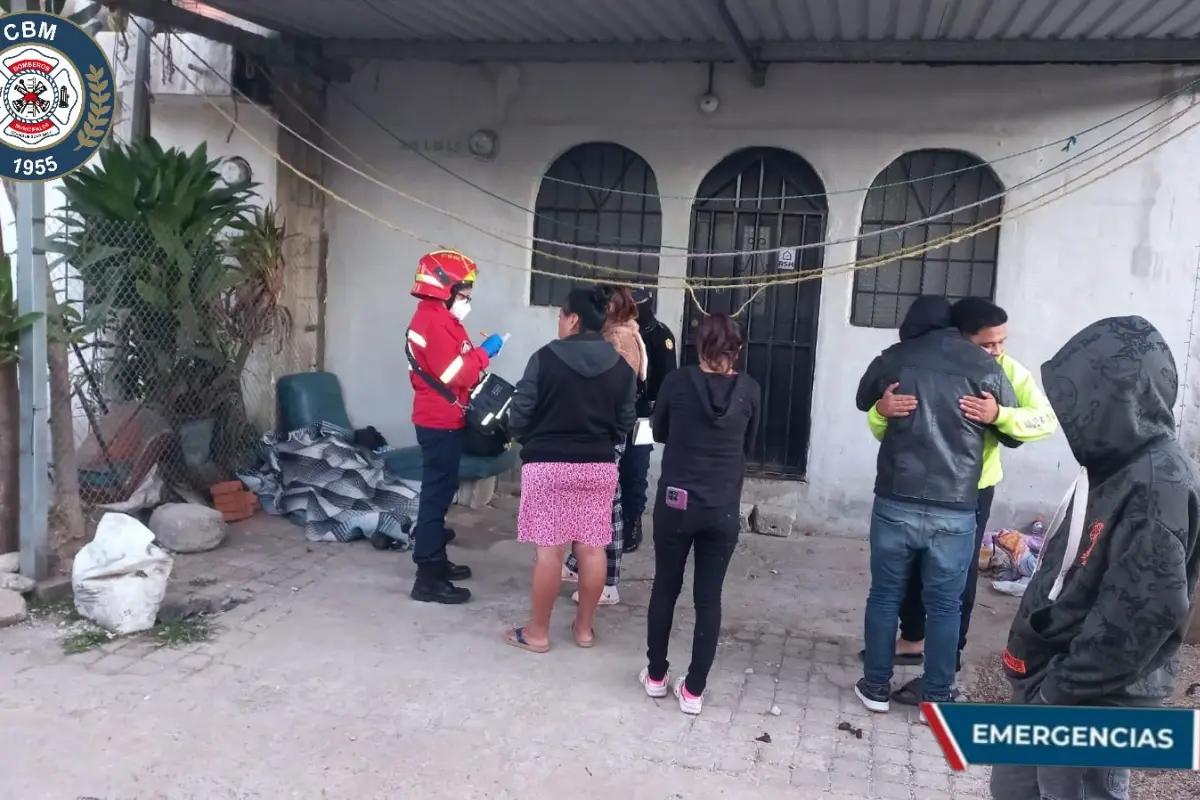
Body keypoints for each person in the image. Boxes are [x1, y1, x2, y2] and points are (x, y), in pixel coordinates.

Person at [990, 316, 1200, 800]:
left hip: (1089, 698)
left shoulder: (1157, 484)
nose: (1071, 420)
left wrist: (1059, 690)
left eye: (1082, 403)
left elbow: (1144, 613)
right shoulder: (1116, 465)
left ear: (1118, 398)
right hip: (1052, 678)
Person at [863, 297, 1058, 705]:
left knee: (951, 589)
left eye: (1002, 342)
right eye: (989, 344)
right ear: (960, 336)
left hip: (970, 490)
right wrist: (883, 410)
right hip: (945, 498)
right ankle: (920, 653)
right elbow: (883, 422)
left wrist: (999, 415)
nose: (998, 352)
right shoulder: (973, 365)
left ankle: (940, 666)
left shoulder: (1001, 369)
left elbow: (1042, 420)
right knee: (928, 588)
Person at [502, 286, 637, 653]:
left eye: (561, 315)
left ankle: (538, 633)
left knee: (550, 553)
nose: (559, 322)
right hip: (597, 466)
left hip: (547, 464)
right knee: (593, 550)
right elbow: (626, 422)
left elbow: (519, 414)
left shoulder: (544, 359)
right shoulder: (621, 368)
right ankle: (584, 631)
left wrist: (531, 438)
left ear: (573, 319)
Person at [639, 313, 760, 715]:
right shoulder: (750, 390)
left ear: (698, 347)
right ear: (736, 350)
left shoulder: (676, 382)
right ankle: (693, 690)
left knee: (665, 587)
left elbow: (658, 432)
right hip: (722, 507)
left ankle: (656, 676)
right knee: (709, 598)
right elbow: (750, 445)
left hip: (676, 502)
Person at [405, 250, 504, 605]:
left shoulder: (439, 317)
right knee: (435, 498)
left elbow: (454, 363)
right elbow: (456, 373)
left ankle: (437, 561)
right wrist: (486, 353)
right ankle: (427, 577)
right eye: (463, 295)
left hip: (444, 417)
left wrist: (475, 354)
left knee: (440, 494)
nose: (466, 302)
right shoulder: (435, 321)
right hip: (439, 421)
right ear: (444, 289)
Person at [563, 285, 647, 605]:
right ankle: (577, 566)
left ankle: (608, 583)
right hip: (605, 430)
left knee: (607, 510)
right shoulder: (620, 335)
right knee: (593, 507)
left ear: (610, 309)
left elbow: (611, 390)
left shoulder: (619, 340)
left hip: (607, 432)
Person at [620, 287, 678, 554]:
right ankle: (614, 522)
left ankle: (632, 523)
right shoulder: (618, 331)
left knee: (636, 467)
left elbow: (668, 379)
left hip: (644, 413)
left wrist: (659, 416)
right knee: (612, 469)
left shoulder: (660, 335)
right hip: (616, 411)